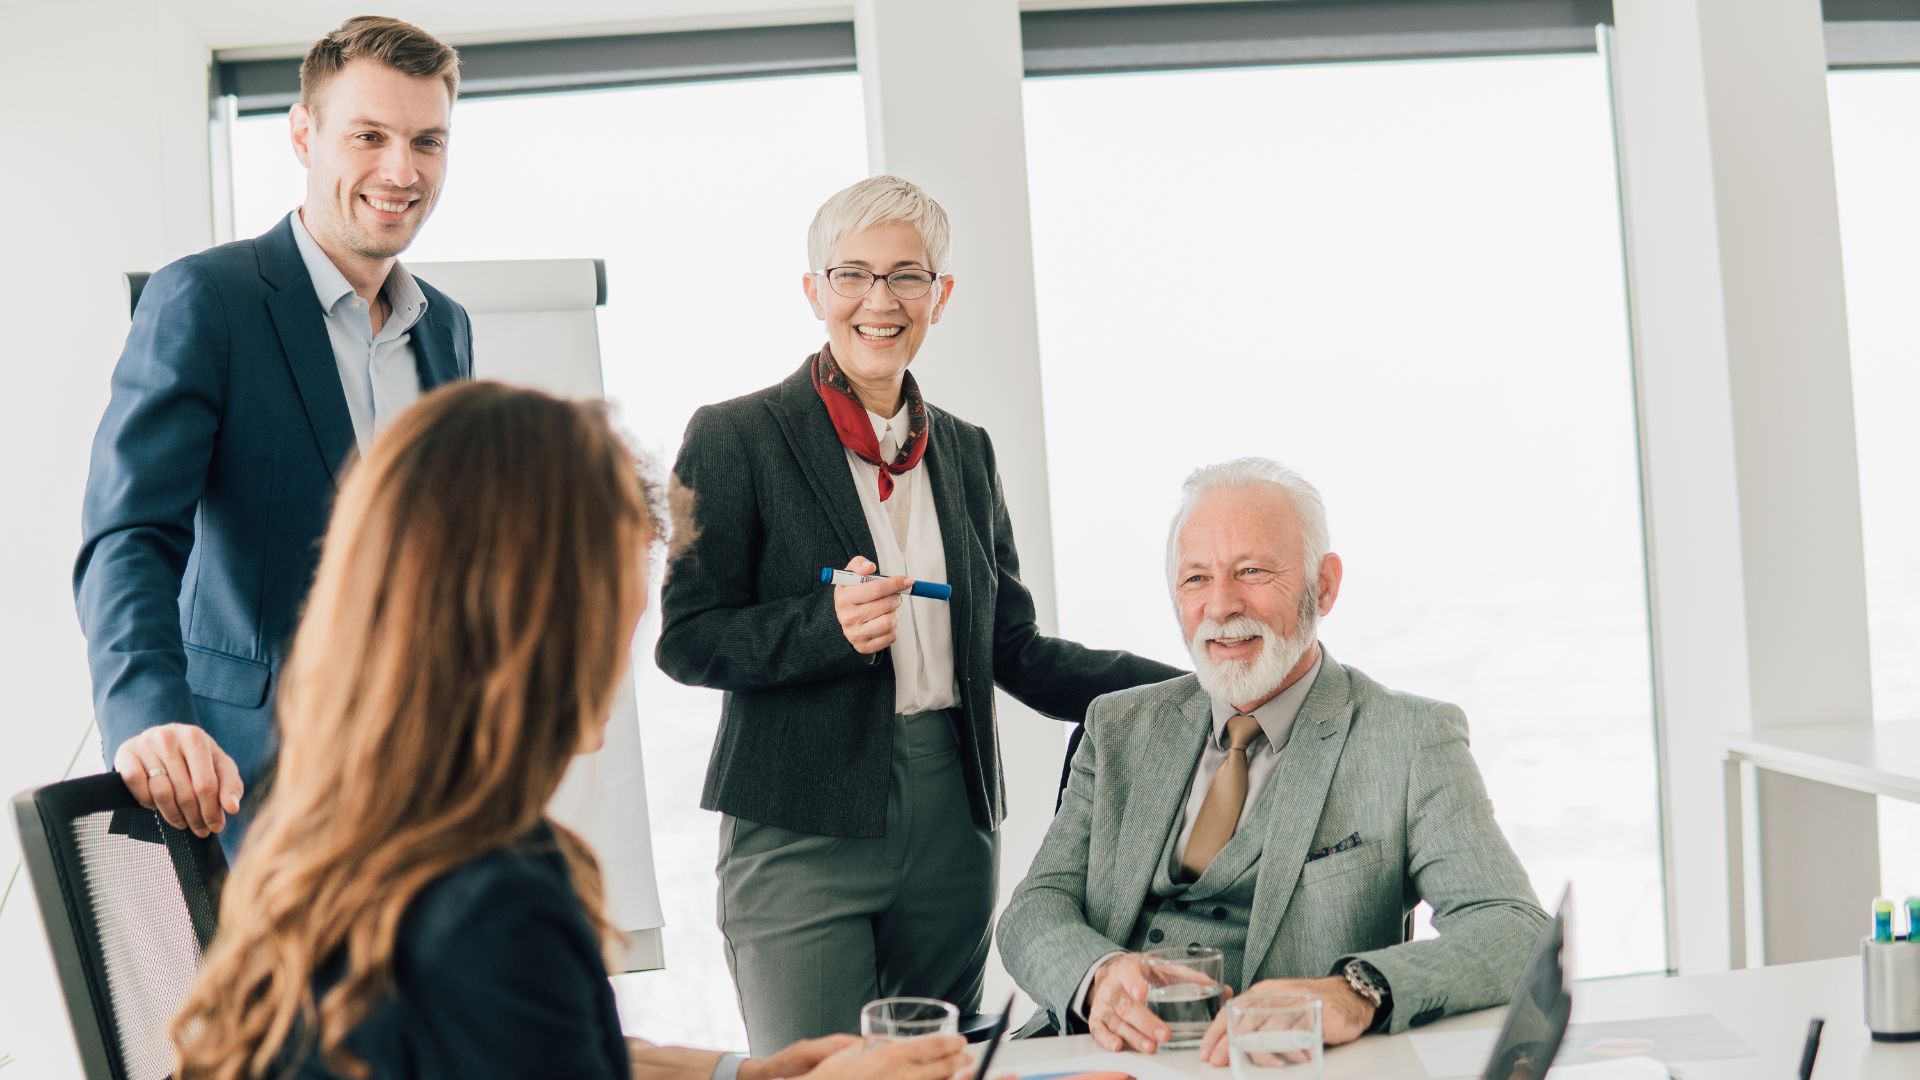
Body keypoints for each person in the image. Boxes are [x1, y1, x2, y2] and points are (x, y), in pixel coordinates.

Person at [167, 382, 973, 1080]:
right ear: (531, 621)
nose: (626, 642)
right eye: (616, 602)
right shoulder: (498, 899)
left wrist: (755, 1073)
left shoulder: (337, 833)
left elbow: (553, 1052)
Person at [656, 175, 1184, 1052]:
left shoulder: (967, 453)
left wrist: (1187, 691)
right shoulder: (734, 435)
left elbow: (1014, 648)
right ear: (814, 291)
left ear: (939, 296)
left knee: (940, 1070)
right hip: (801, 818)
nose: (879, 300)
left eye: (906, 276)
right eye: (853, 274)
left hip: (953, 816)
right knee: (817, 1073)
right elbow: (686, 638)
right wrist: (822, 629)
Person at [995, 458, 1549, 1064]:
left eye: (1252, 572)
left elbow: (1514, 928)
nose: (1221, 606)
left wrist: (1354, 992)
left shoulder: (1412, 739)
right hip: (1086, 1061)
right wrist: (1097, 974)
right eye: (1196, 579)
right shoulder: (1118, 725)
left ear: (1326, 585)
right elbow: (1035, 907)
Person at [75, 15, 472, 850]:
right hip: (252, 790)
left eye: (427, 141)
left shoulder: (447, 330)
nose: (401, 171)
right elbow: (130, 535)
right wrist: (147, 718)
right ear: (304, 134)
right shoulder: (207, 301)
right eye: (369, 135)